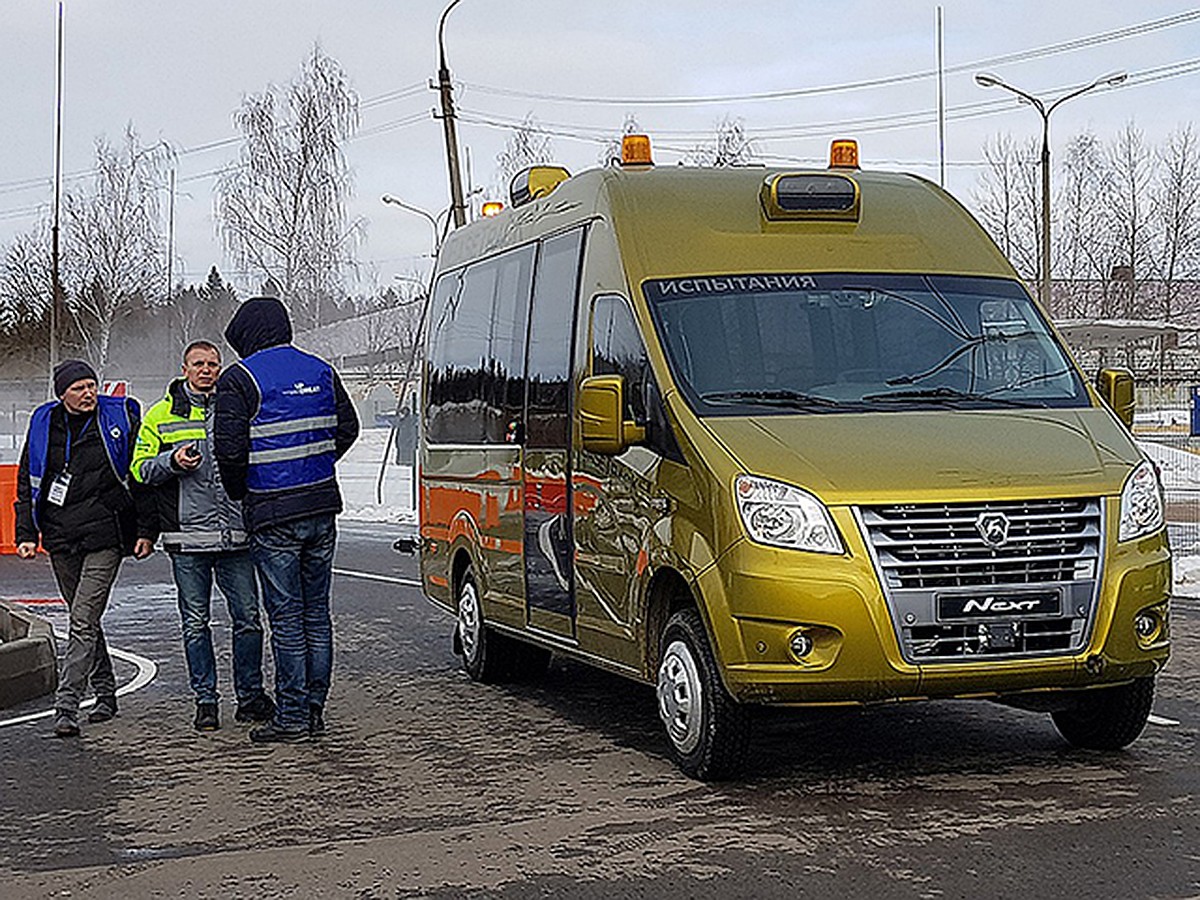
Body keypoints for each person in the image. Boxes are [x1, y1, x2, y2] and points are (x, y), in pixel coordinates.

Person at [213, 298, 359, 743]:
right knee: (318, 613)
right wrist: (315, 465)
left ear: (247, 337)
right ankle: (315, 708)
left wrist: (244, 492)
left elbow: (229, 450)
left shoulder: (239, 379)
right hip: (321, 507)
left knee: (286, 618)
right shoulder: (321, 370)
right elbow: (348, 428)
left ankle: (292, 715)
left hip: (273, 511)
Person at [131, 340, 275, 732]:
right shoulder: (161, 414)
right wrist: (171, 461)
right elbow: (140, 469)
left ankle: (249, 697)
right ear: (185, 367)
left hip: (235, 536)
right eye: (199, 364)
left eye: (213, 364)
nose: (207, 370)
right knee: (195, 623)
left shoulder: (238, 406)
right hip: (187, 539)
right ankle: (206, 701)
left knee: (248, 619)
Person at [14, 360, 155, 738]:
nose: (88, 393)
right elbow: (28, 481)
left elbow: (139, 475)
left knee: (81, 619)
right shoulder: (44, 424)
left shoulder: (118, 418)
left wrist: (145, 530)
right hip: (60, 536)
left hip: (105, 535)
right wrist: (25, 534)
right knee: (85, 618)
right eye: (79, 388)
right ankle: (107, 692)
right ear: (62, 394)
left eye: (91, 385)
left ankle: (67, 706)